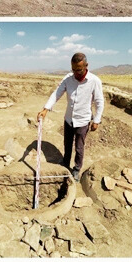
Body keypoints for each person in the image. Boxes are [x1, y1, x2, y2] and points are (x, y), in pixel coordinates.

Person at [37, 52, 104, 181]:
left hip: (83, 121)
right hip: (69, 119)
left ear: (86, 65)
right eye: (73, 69)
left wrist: (96, 120)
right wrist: (45, 109)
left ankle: (77, 169)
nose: (76, 73)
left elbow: (99, 101)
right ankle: (65, 164)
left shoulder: (94, 81)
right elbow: (57, 93)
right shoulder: (68, 78)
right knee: (67, 144)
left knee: (79, 147)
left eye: (79, 70)